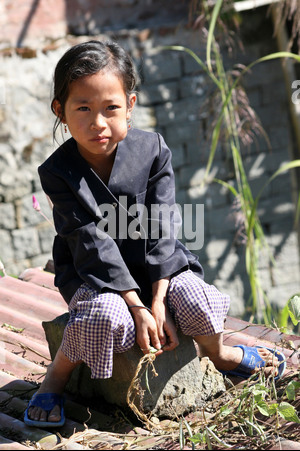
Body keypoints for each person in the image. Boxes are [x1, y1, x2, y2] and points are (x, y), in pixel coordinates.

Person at [24, 40, 285, 427]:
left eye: (111, 108)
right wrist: (136, 305)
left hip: (158, 266)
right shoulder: (58, 172)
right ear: (60, 111)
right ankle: (56, 377)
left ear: (129, 106)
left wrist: (159, 298)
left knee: (196, 298)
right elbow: (91, 243)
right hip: (93, 275)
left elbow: (163, 224)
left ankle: (222, 355)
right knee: (106, 318)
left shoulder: (153, 149)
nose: (98, 122)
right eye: (83, 108)